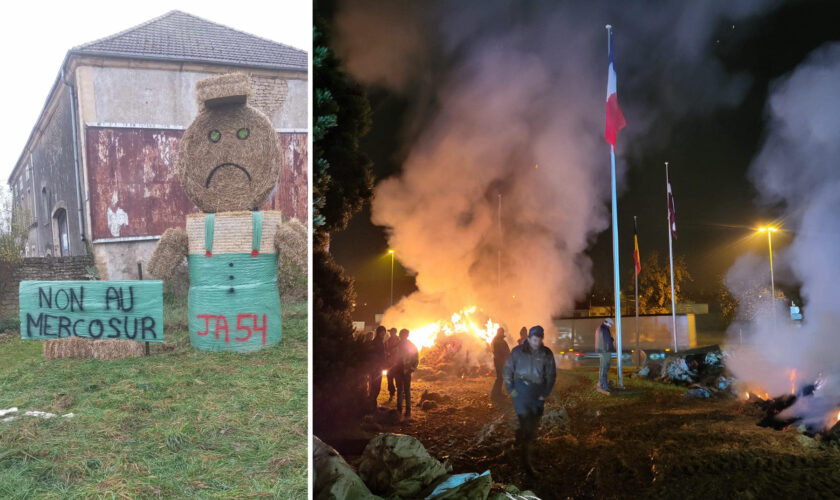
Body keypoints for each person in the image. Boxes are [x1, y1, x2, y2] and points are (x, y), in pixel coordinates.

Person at [503, 325, 556, 476]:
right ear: (529, 338)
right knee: (529, 429)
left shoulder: (546, 354)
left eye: (539, 339)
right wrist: (510, 389)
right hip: (521, 393)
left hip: (537, 394)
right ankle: (527, 466)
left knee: (533, 423)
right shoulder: (517, 352)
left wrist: (545, 392)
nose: (536, 342)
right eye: (533, 339)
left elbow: (551, 374)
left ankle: (519, 439)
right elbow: (508, 370)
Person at [395, 328, 419, 418]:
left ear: (407, 335)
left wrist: (412, 369)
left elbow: (416, 358)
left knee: (407, 391)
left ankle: (408, 410)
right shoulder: (397, 345)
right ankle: (399, 409)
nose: (402, 336)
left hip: (406, 371)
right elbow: (393, 357)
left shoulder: (411, 346)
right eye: (401, 335)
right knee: (399, 390)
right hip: (398, 371)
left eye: (404, 335)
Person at [367, 326, 387, 405]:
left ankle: (372, 403)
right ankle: (372, 403)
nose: (383, 334)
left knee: (375, 387)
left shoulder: (379, 341)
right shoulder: (377, 342)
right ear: (378, 333)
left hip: (377, 367)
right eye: (382, 332)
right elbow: (376, 355)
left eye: (384, 332)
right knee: (375, 387)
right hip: (376, 368)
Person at [595, 318, 616, 395]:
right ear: (607, 323)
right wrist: (612, 340)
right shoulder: (604, 329)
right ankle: (604, 386)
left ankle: (602, 384)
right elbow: (607, 341)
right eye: (610, 324)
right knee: (605, 368)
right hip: (605, 351)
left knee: (603, 368)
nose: (611, 326)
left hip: (602, 351)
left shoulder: (600, 328)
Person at [490, 327, 510, 403]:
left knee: (500, 377)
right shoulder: (498, 341)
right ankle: (495, 393)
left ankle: (498, 393)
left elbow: (506, 352)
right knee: (500, 377)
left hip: (501, 361)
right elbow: (500, 352)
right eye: (501, 332)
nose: (502, 333)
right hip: (500, 362)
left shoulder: (498, 341)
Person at [385, 327, 400, 402]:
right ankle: (391, 393)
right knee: (390, 379)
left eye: (392, 332)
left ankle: (401, 393)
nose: (391, 333)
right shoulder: (387, 341)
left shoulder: (399, 341)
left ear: (395, 332)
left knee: (398, 379)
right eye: (390, 332)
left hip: (398, 363)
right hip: (389, 363)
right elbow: (385, 350)